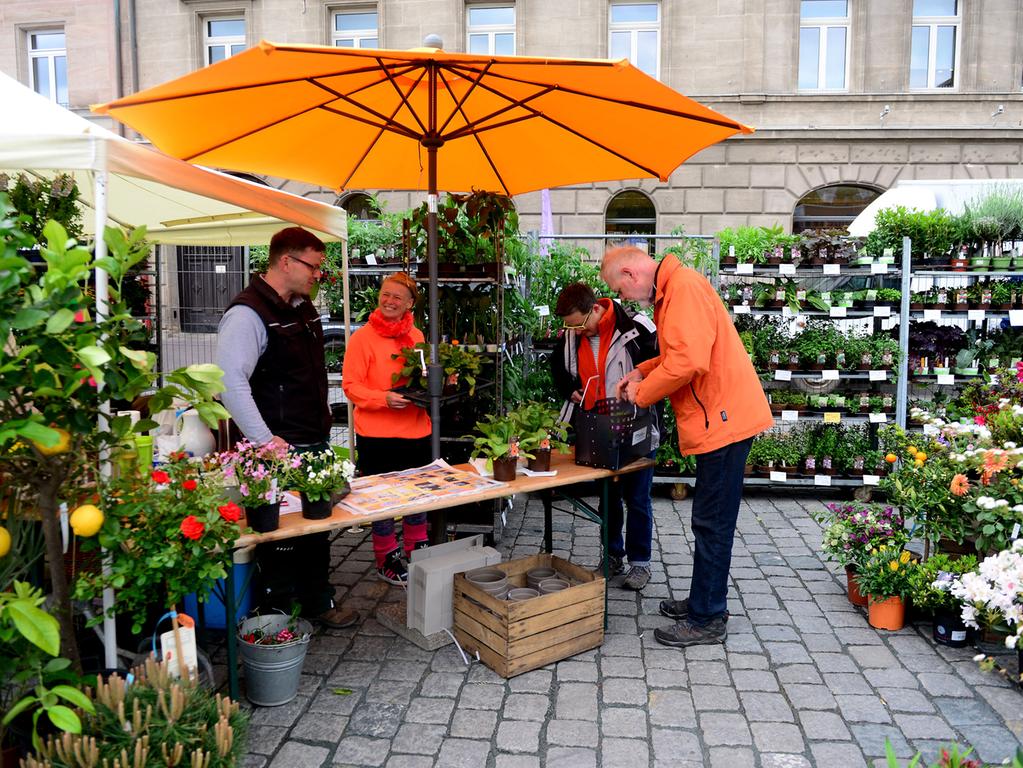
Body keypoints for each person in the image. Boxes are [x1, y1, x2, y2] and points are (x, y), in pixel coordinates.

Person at [601, 244, 772, 647]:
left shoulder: (683, 289)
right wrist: (642, 371)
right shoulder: (673, 288)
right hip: (721, 418)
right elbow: (675, 355)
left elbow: (688, 362)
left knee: (711, 522)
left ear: (629, 274)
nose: (624, 299)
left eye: (620, 291)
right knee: (709, 520)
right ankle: (704, 601)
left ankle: (708, 617)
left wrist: (641, 394)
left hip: (725, 421)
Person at [217, 226, 357, 629]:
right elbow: (230, 382)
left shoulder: (300, 306)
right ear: (285, 262)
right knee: (277, 536)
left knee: (317, 528)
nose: (318, 275)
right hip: (274, 446)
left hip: (310, 439)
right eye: (313, 266)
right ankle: (276, 614)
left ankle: (317, 600)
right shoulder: (246, 314)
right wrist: (265, 442)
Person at [551, 282, 659, 591]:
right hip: (596, 428)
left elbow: (663, 366)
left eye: (581, 323)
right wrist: (568, 388)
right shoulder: (573, 335)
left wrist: (641, 390)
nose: (578, 331)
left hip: (636, 427)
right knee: (608, 498)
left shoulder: (637, 327)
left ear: (596, 308)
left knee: (638, 498)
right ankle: (612, 555)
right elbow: (557, 367)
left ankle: (640, 563)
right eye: (571, 326)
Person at [342, 272, 431, 584]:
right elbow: (350, 387)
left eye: (398, 297)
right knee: (382, 500)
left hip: (416, 430)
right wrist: (383, 398)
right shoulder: (361, 339)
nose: (390, 301)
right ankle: (387, 556)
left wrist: (440, 380)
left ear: (409, 304)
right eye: (386, 294)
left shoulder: (417, 337)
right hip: (377, 435)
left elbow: (420, 377)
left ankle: (417, 547)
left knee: (418, 496)